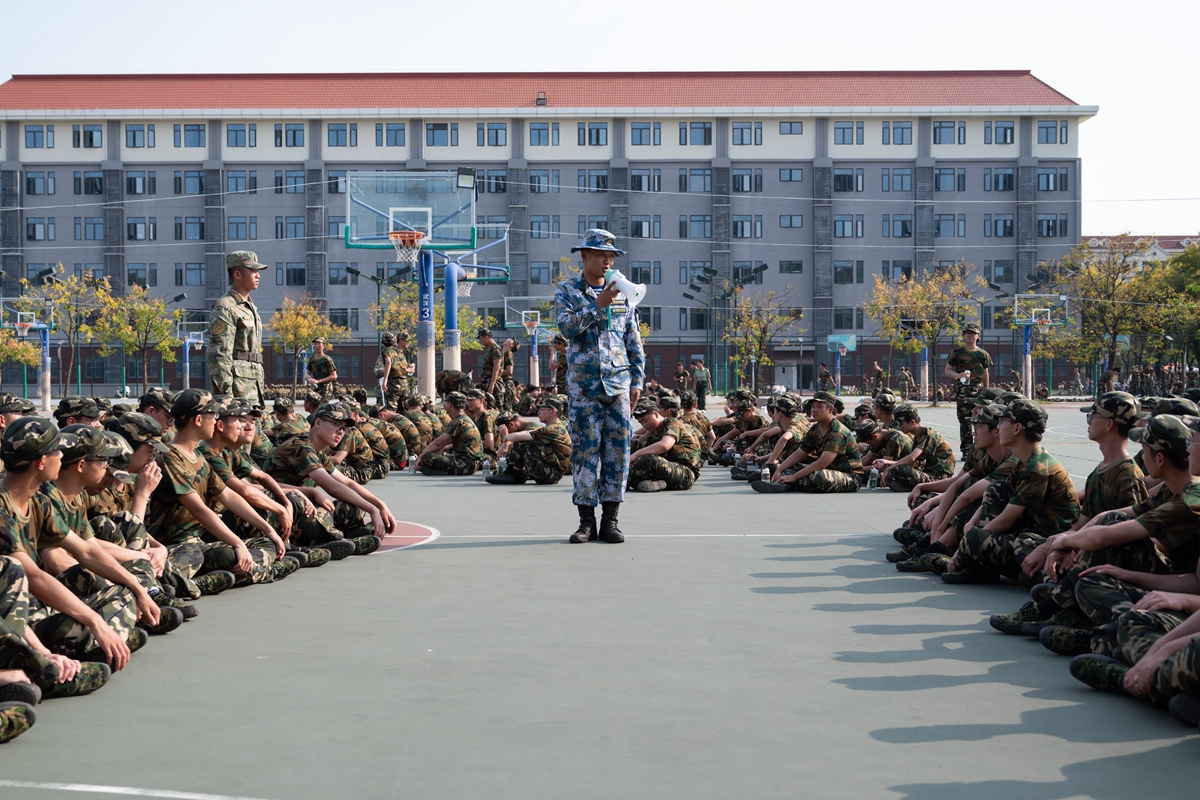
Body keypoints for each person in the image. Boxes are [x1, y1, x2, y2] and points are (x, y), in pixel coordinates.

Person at [557, 228, 645, 544]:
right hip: (584, 389)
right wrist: (597, 306)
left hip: (618, 386)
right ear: (585, 256)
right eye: (601, 255)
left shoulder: (624, 292)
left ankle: (610, 521)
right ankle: (585, 522)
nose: (607, 261)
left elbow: (633, 341)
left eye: (611, 256)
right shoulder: (568, 291)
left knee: (617, 455)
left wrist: (637, 381)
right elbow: (566, 327)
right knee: (584, 455)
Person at [941, 398, 1079, 584]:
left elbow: (1006, 520)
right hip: (1030, 533)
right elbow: (1001, 499)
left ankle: (1047, 579)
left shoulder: (1038, 466)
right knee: (997, 489)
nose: (998, 428)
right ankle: (978, 565)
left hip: (1046, 543)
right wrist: (973, 524)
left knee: (981, 538)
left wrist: (968, 542)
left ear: (1017, 428)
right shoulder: (1023, 461)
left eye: (1002, 421)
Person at [752, 392, 861, 494]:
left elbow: (822, 463)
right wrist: (780, 470)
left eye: (819, 406)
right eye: (813, 406)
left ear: (830, 409)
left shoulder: (837, 431)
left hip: (850, 476)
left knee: (818, 477)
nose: (814, 410)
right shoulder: (815, 429)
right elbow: (799, 454)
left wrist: (794, 477)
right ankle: (782, 484)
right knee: (790, 468)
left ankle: (789, 483)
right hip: (830, 470)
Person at [208, 251, 268, 409]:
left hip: (253, 389)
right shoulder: (226, 307)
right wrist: (226, 398)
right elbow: (219, 356)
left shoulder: (250, 307)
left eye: (258, 271)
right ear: (237, 274)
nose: (258, 275)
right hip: (236, 394)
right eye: (253, 271)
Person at [487, 395, 572, 486]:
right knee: (525, 439)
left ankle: (513, 474)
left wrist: (505, 438)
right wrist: (507, 440)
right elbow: (530, 431)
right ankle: (514, 473)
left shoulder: (552, 429)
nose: (538, 412)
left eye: (542, 409)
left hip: (550, 474)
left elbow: (517, 437)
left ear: (552, 412)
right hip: (551, 472)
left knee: (523, 441)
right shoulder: (555, 427)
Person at [627, 397, 702, 492]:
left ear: (656, 414)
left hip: (686, 474)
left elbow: (665, 445)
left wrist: (637, 454)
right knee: (637, 448)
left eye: (645, 420)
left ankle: (621, 481)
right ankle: (655, 482)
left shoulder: (671, 422)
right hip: (669, 468)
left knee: (651, 461)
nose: (644, 425)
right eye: (641, 422)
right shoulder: (652, 433)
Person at [944, 324, 992, 459]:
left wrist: (987, 393)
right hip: (963, 392)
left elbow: (986, 374)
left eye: (973, 333)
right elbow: (947, 370)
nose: (970, 335)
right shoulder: (957, 353)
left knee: (981, 421)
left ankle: (980, 450)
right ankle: (966, 451)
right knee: (965, 422)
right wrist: (958, 375)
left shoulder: (983, 354)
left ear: (978, 336)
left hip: (979, 393)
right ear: (963, 336)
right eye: (967, 333)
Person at [415, 392, 483, 476]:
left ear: (450, 404)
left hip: (466, 465)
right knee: (440, 451)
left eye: (446, 402)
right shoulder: (464, 418)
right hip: (472, 463)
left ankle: (441, 471)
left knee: (428, 456)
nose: (444, 405)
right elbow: (442, 444)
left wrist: (421, 456)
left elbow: (438, 443)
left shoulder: (459, 421)